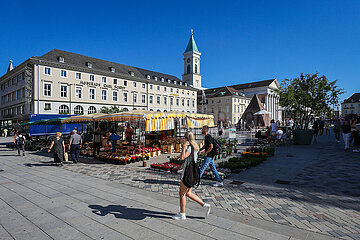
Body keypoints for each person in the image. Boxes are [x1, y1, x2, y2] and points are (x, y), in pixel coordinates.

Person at [172, 131, 211, 220]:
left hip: (187, 174)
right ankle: (204, 205)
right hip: (192, 173)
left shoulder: (189, 148)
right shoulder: (195, 147)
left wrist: (184, 147)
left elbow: (182, 157)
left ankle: (182, 214)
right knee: (188, 193)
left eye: (184, 138)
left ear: (186, 138)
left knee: (182, 193)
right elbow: (190, 159)